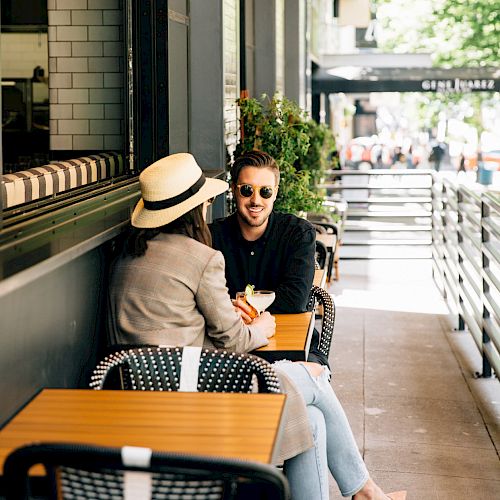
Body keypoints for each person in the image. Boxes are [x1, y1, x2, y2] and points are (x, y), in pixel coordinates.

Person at [108, 153, 406, 500]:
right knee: (313, 376)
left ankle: (364, 491)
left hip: (138, 392)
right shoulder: (200, 257)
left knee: (311, 420)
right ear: (196, 208)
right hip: (198, 391)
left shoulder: (126, 256)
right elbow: (234, 341)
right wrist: (262, 328)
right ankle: (365, 491)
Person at [209, 150, 329, 366]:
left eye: (265, 191)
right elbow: (205, 301)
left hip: (292, 350)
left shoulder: (297, 234)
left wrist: (237, 306)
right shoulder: (212, 237)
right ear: (234, 191)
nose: (255, 200)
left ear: (275, 193)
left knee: (313, 371)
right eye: (247, 190)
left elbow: (295, 300)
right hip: (231, 349)